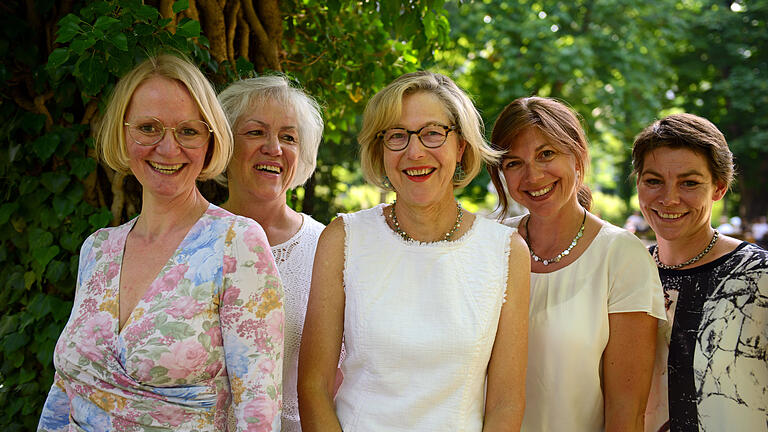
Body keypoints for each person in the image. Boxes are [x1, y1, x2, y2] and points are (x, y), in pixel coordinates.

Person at [37, 54, 283, 431]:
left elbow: (258, 411)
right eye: (149, 128)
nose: (168, 149)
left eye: (188, 131)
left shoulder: (237, 244)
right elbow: (66, 388)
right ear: (122, 132)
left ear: (210, 140)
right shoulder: (98, 249)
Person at [298, 71, 530, 431]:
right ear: (380, 149)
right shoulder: (344, 238)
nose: (415, 151)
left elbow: (506, 402)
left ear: (461, 146)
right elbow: (313, 387)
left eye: (433, 133)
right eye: (397, 136)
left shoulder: (505, 252)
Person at [487, 96, 666, 431]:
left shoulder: (621, 255)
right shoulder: (491, 245)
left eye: (546, 154)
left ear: (578, 156)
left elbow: (626, 411)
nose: (533, 175)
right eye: (513, 163)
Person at [633, 113, 768, 431]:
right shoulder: (626, 272)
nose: (668, 198)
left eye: (689, 183)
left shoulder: (759, 276)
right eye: (654, 181)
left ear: (719, 188)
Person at [217, 76, 329, 432]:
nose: (274, 148)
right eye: (255, 132)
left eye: (288, 137)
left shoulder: (327, 247)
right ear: (224, 144)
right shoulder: (191, 239)